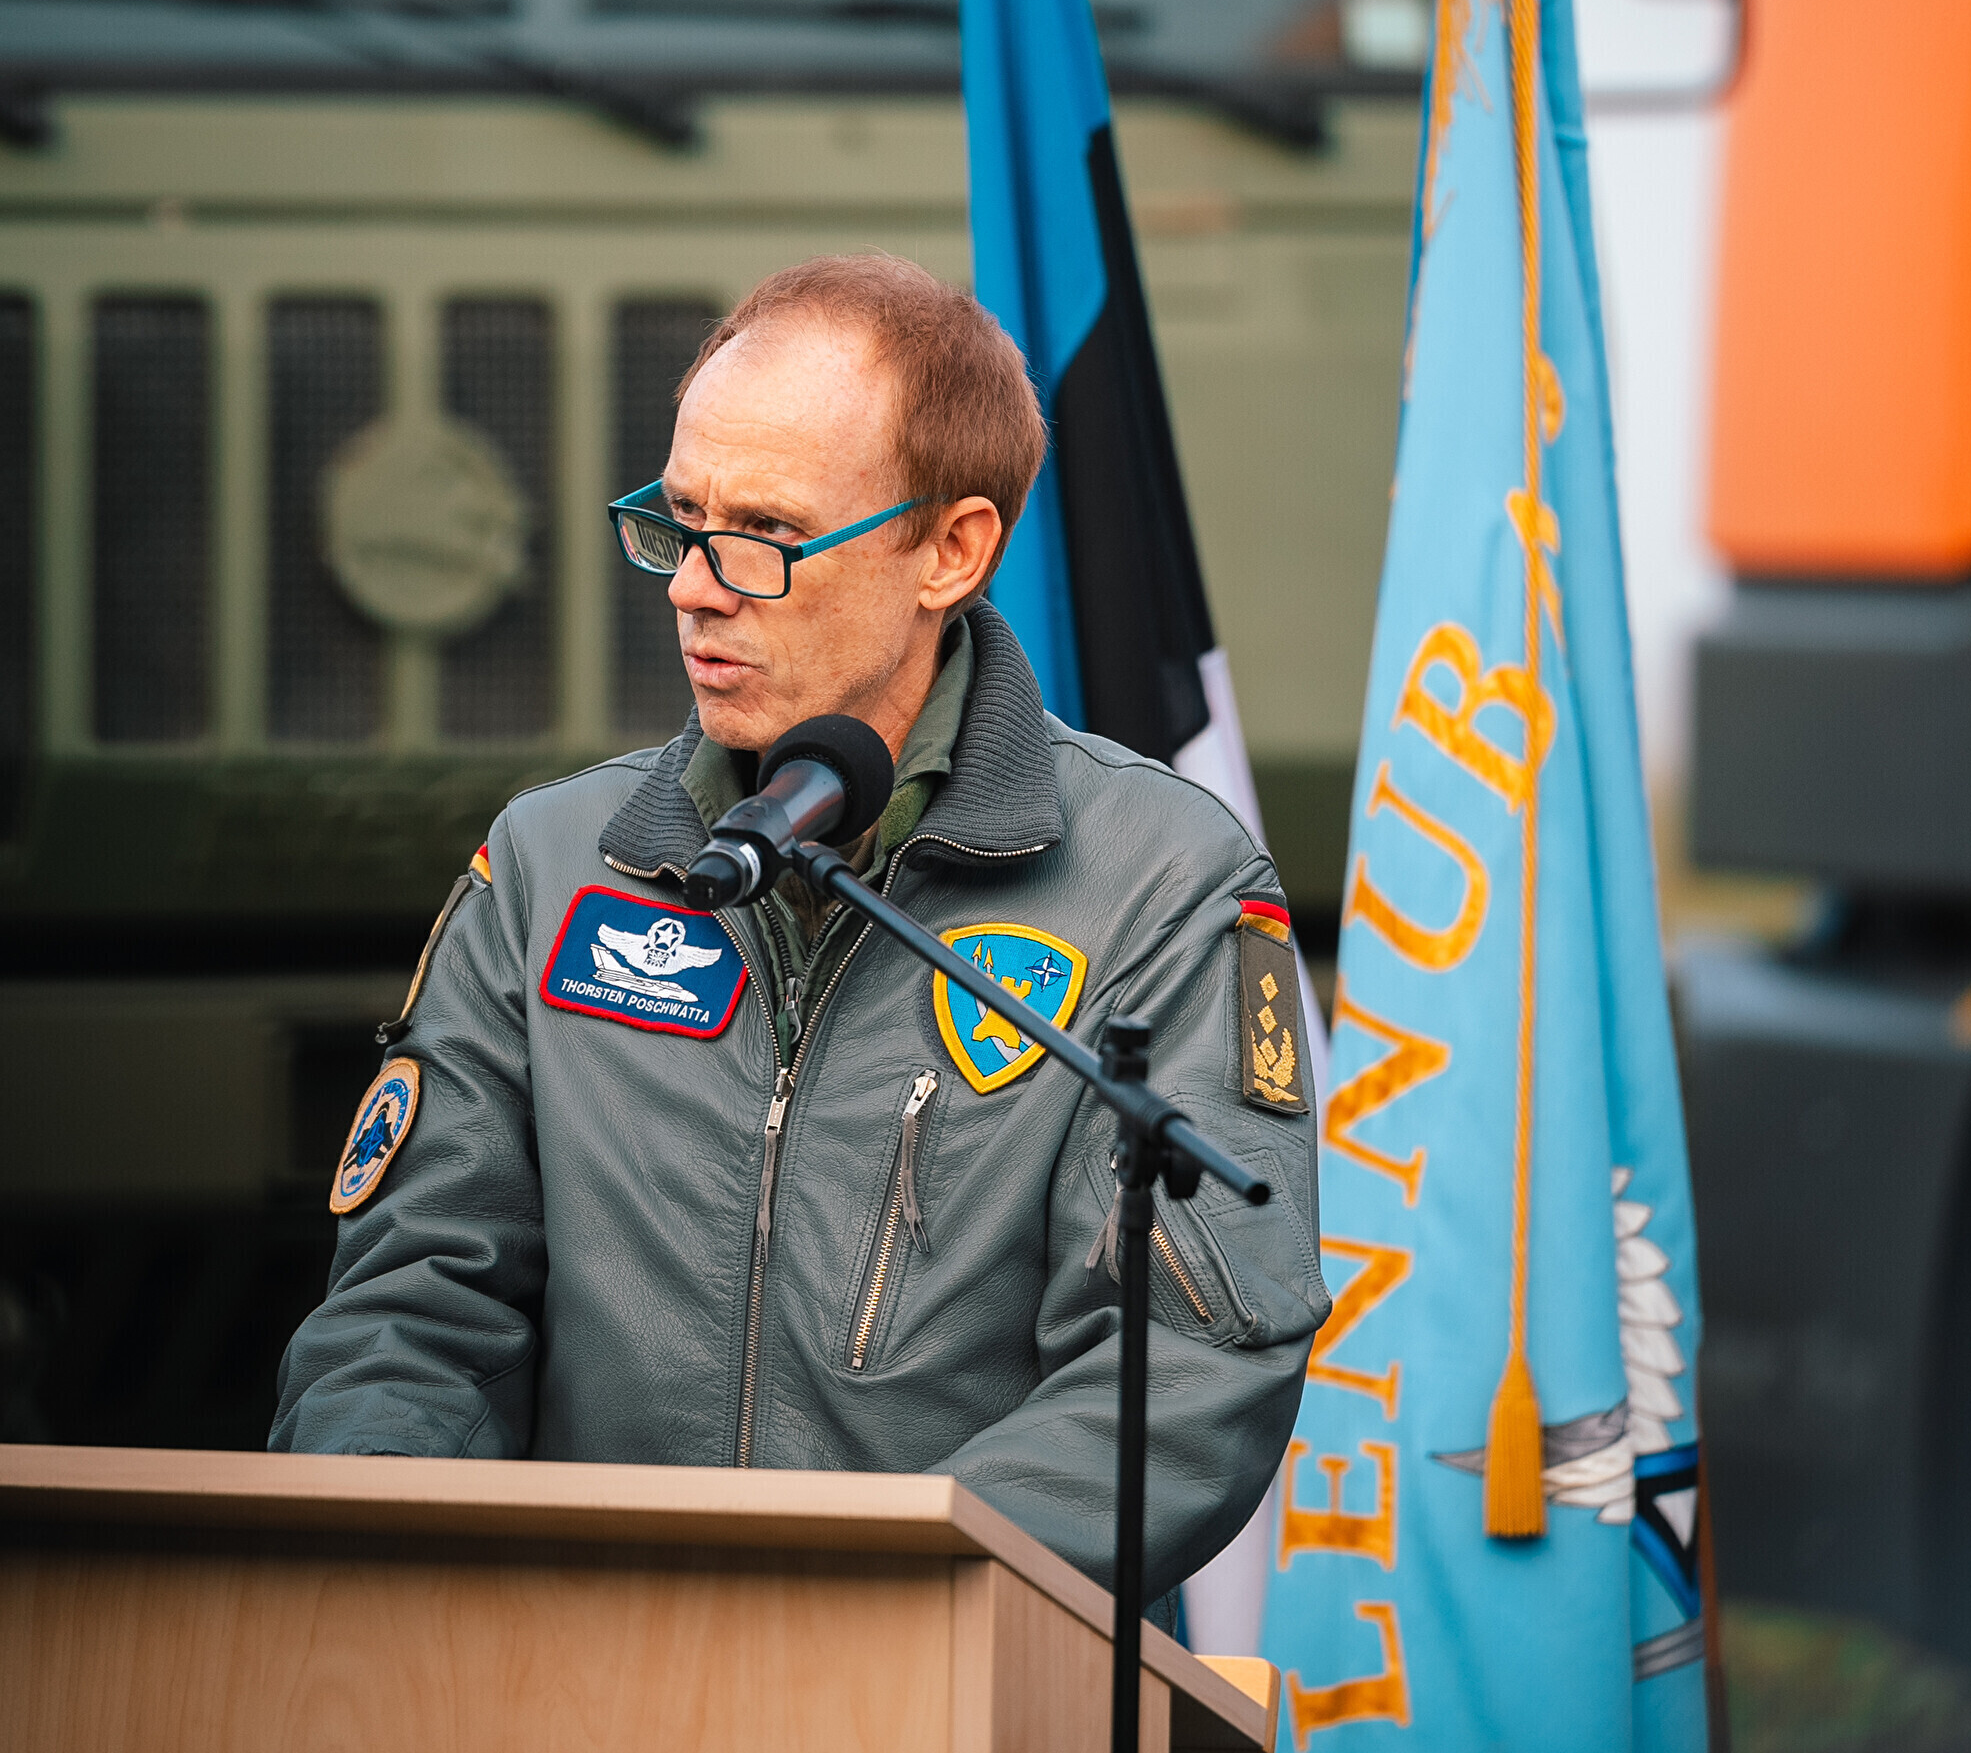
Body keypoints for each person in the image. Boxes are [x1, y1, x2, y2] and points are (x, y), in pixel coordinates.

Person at [273, 252, 1327, 1596]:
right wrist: (387, 1586)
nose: (691, 587)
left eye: (764, 536)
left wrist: (841, 1611)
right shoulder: (552, 866)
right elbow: (414, 1306)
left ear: (951, 551)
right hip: (568, 1668)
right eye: (680, 520)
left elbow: (1180, 1368)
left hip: (925, 1672)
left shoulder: (1159, 885)